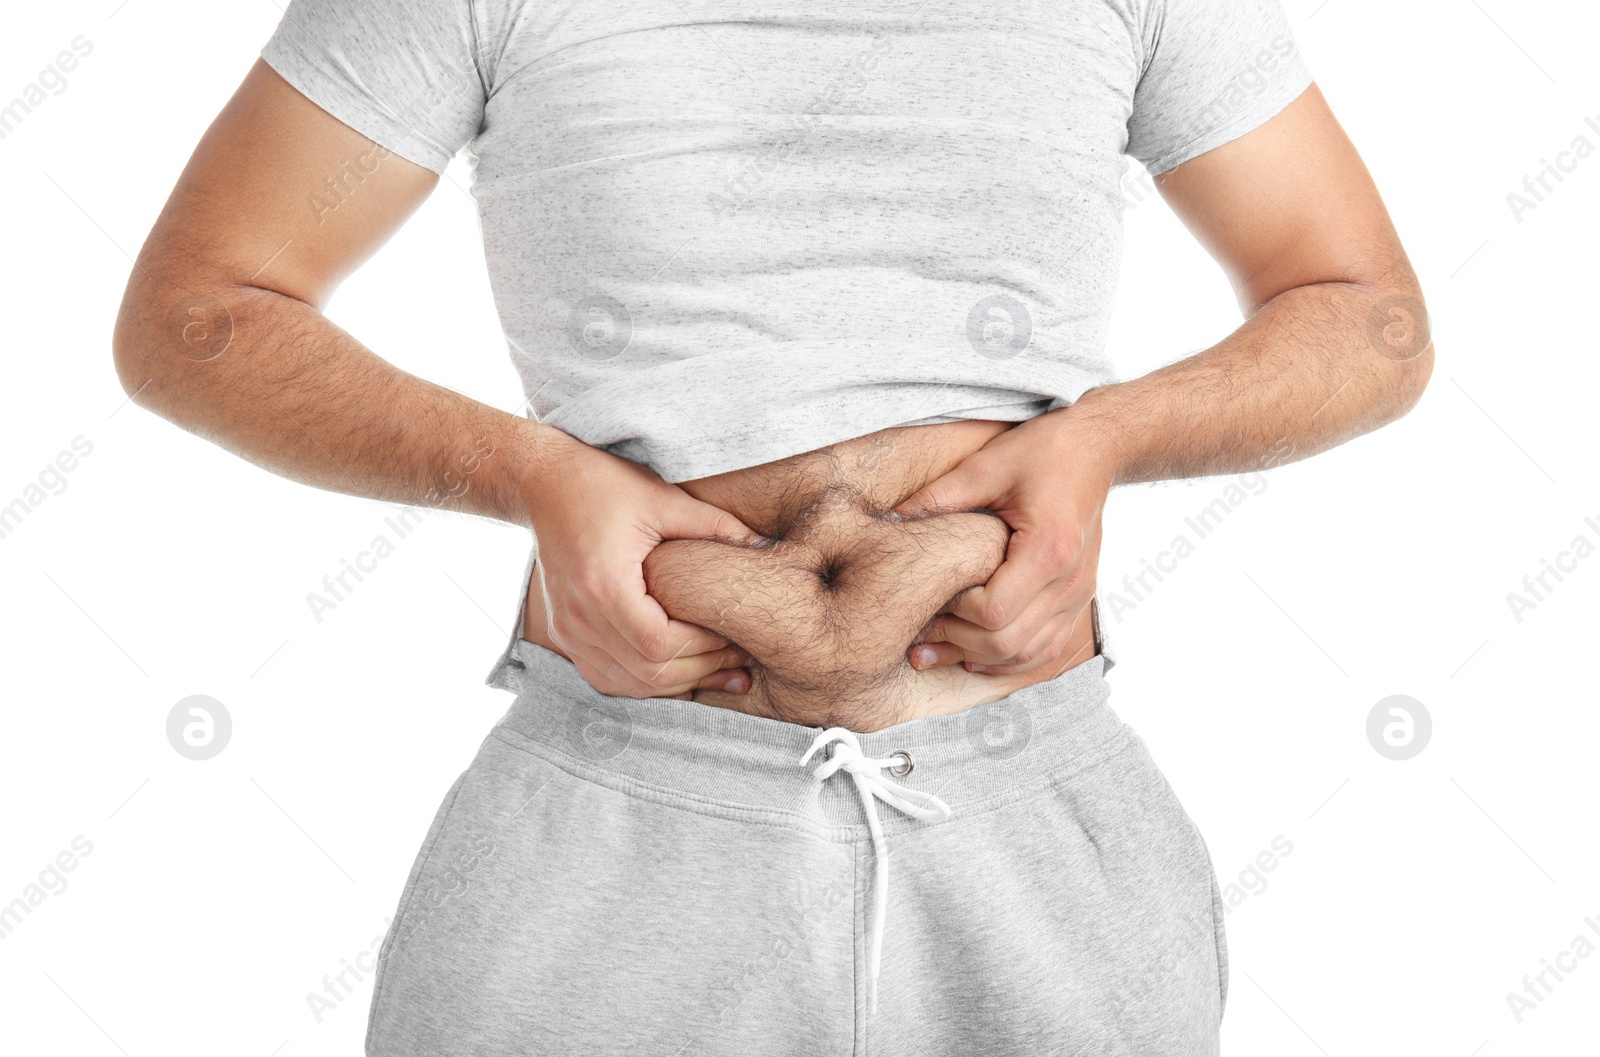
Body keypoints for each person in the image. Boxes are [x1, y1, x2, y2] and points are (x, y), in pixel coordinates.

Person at [111, 0, 1432, 1052]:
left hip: (1040, 846)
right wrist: (523, 473)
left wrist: (1102, 441)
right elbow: (196, 314)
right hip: (608, 853)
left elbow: (1368, 317)